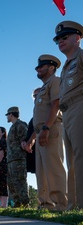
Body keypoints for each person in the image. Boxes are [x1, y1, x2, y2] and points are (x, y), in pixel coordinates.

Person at [26, 55, 67, 211]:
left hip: (50, 130)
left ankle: (61, 205)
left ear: (51, 67)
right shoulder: (43, 88)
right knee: (42, 172)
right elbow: (38, 119)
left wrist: (46, 128)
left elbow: (55, 105)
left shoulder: (55, 82)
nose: (38, 69)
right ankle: (46, 204)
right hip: (41, 132)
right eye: (37, 67)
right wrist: (31, 139)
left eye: (42, 66)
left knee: (54, 168)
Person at [53, 20, 83, 210]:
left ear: (78, 38)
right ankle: (74, 205)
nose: (60, 41)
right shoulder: (65, 66)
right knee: (71, 162)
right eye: (58, 40)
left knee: (81, 157)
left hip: (80, 106)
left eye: (64, 37)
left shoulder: (81, 57)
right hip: (67, 112)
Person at [6, 106, 29, 207]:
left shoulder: (20, 125)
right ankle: (17, 203)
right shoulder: (12, 127)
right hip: (11, 159)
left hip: (19, 158)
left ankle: (25, 203)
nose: (7, 117)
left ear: (11, 114)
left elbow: (24, 140)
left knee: (20, 180)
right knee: (11, 182)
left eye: (8, 115)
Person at [22, 88, 41, 174]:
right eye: (34, 96)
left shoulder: (49, 110)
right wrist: (25, 142)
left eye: (38, 95)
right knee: (41, 180)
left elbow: (42, 126)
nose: (35, 98)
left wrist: (30, 141)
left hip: (46, 147)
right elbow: (30, 133)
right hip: (35, 153)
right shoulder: (33, 118)